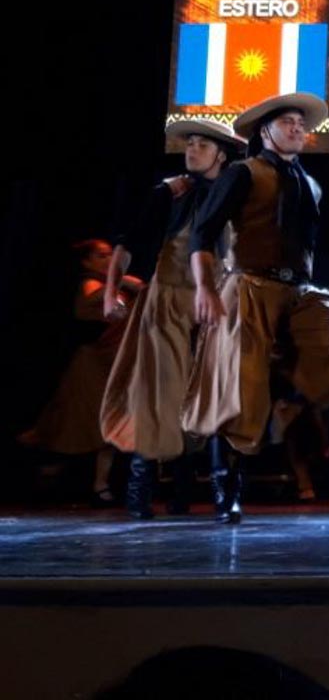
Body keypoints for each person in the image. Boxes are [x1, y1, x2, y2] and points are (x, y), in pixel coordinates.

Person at [184, 92, 329, 524]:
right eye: (287, 122)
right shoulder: (243, 173)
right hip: (250, 286)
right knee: (240, 392)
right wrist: (205, 288)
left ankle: (289, 393)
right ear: (265, 131)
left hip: (297, 290)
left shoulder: (310, 183)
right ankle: (228, 488)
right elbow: (202, 234)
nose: (298, 128)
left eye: (301, 124)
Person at [99, 118, 245, 519]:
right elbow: (127, 245)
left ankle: (194, 495)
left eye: (202, 145)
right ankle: (139, 494)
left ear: (221, 155)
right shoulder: (170, 193)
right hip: (168, 304)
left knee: (210, 400)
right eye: (190, 143)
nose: (192, 150)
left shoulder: (236, 195)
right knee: (162, 396)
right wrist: (111, 291)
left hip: (216, 308)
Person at [20, 240, 141, 507]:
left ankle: (100, 485)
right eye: (101, 256)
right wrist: (121, 282)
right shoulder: (91, 284)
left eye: (110, 255)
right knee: (79, 427)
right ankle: (49, 479)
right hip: (91, 368)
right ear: (86, 262)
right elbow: (91, 299)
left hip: (113, 365)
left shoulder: (115, 284)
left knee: (109, 427)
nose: (108, 260)